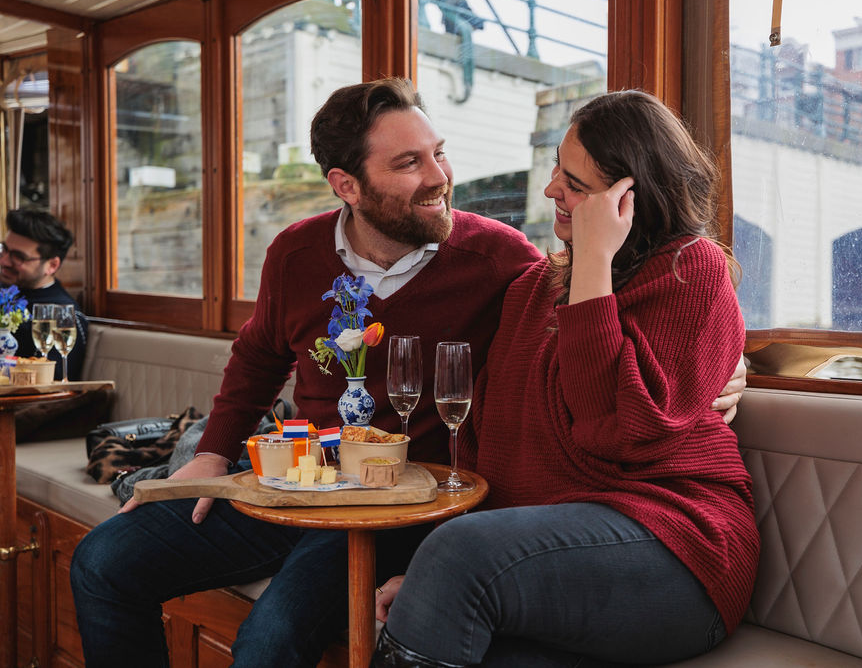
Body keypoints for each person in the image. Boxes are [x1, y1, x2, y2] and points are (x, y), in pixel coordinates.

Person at [71, 79, 746, 667]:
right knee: (102, 561)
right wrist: (212, 452)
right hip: (302, 475)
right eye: (409, 162)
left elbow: (637, 376)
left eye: (439, 151)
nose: (440, 175)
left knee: (269, 639)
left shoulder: (503, 262)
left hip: (404, 501)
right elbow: (257, 355)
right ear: (347, 185)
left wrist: (724, 361)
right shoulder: (302, 252)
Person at [371, 90, 759, 667]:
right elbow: (494, 449)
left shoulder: (692, 270)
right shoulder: (532, 289)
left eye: (575, 185)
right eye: (557, 165)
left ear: (630, 201)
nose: (552, 187)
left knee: (455, 557)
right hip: (560, 559)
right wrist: (434, 578)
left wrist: (596, 267)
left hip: (678, 546)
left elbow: (616, 430)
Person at [2, 208, 87, 380]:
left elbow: (48, 382)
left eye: (18, 257)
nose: (3, 261)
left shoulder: (63, 315)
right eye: (3, 249)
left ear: (52, 265)